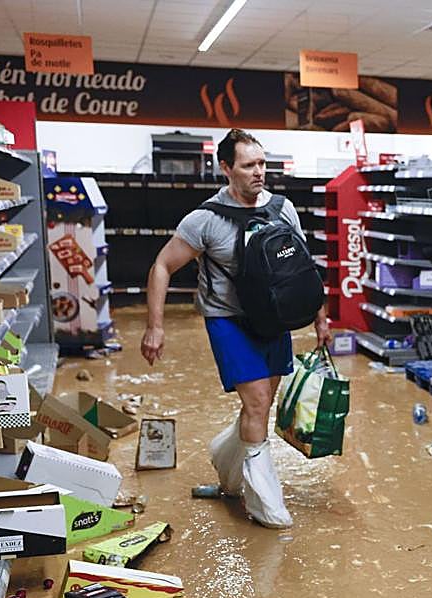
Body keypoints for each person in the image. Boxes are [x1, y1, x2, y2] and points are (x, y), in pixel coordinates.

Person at [141, 128, 330, 528]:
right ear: (226, 168)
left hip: (274, 319)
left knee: (259, 403)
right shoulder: (205, 220)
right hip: (228, 320)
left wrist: (320, 317)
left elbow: (301, 269)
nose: (259, 172)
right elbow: (161, 266)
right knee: (258, 403)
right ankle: (266, 504)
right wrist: (155, 327)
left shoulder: (283, 209)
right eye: (248, 165)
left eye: (262, 163)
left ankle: (226, 466)